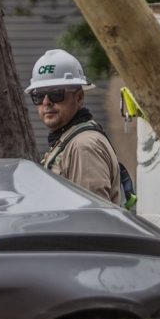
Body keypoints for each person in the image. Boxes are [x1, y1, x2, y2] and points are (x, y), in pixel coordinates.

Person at [26, 49, 127, 205]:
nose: (46, 102)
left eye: (56, 94)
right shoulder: (68, 141)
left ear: (79, 97)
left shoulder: (84, 146)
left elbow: (91, 219)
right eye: (38, 96)